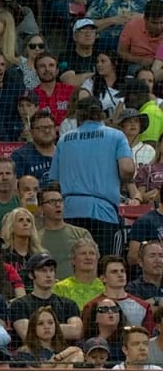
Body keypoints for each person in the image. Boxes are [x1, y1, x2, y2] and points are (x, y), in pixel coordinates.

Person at [49, 97, 135, 256]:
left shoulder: (63, 140)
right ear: (101, 114)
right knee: (103, 266)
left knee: (74, 266)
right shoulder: (116, 136)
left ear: (78, 116)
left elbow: (54, 182)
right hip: (103, 213)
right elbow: (127, 169)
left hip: (70, 212)